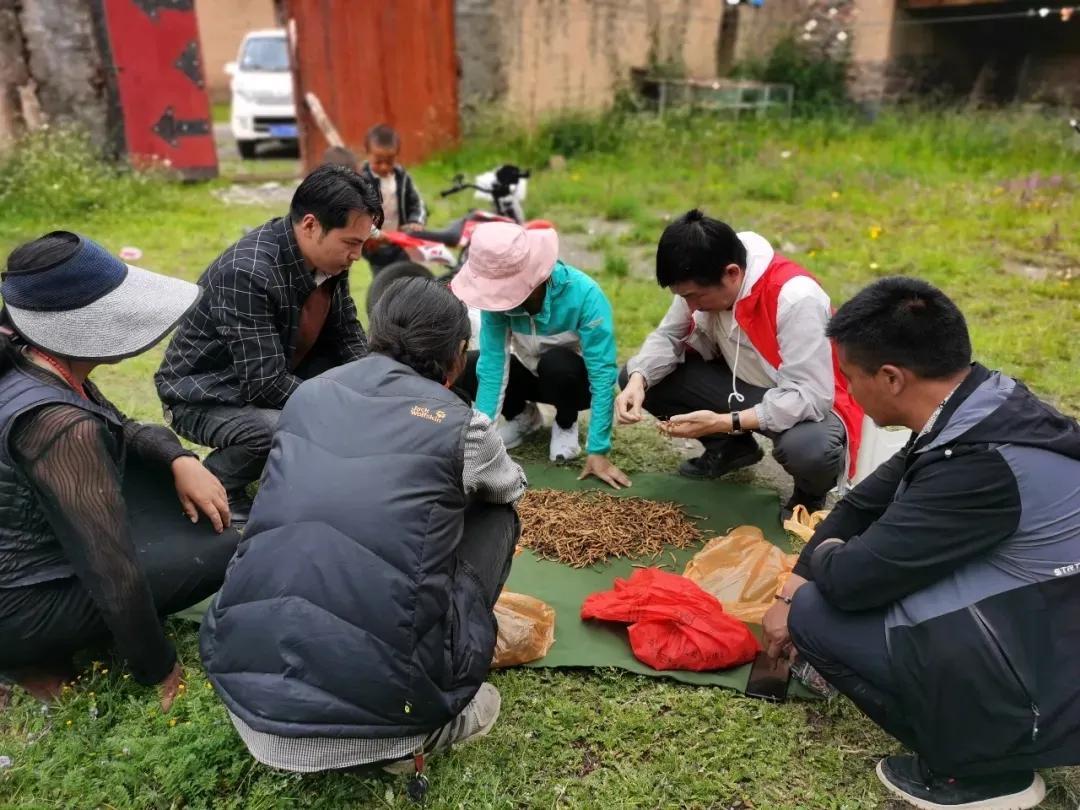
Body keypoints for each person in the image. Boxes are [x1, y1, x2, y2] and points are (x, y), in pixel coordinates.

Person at [762, 277, 1080, 810]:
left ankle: (980, 772)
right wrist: (796, 574)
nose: (849, 391)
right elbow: (862, 503)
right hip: (1047, 620)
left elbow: (851, 580)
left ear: (890, 378)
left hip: (1053, 658)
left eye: (850, 377)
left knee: (816, 613)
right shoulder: (977, 407)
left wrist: (815, 573)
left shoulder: (978, 465)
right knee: (822, 587)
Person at [200, 277, 525, 773]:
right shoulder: (462, 425)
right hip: (390, 715)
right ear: (457, 356)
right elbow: (508, 487)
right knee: (496, 513)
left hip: (247, 695)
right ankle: (410, 736)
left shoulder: (307, 395)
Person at [0, 232, 240, 709]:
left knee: (210, 514)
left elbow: (124, 427)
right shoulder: (58, 424)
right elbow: (111, 570)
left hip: (26, 560)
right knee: (229, 544)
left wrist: (180, 458)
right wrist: (159, 667)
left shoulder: (30, 361)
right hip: (18, 605)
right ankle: (29, 658)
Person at [155, 165, 382, 523]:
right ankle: (210, 488)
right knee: (276, 430)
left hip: (277, 368)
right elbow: (264, 383)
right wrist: (343, 407)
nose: (357, 255)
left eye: (361, 244)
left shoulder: (331, 261)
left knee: (356, 392)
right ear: (310, 226)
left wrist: (376, 386)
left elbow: (347, 333)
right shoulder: (247, 273)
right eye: (351, 243)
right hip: (207, 394)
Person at [615, 209, 862, 517]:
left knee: (809, 450)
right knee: (639, 373)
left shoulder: (796, 297)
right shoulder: (707, 275)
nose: (690, 306)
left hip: (810, 403)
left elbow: (811, 396)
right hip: (744, 386)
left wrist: (724, 421)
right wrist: (639, 380)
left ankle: (810, 493)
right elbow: (669, 336)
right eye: (683, 297)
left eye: (695, 296)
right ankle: (731, 449)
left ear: (732, 273)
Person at [451, 222, 631, 490]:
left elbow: (602, 374)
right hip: (528, 371)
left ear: (537, 276)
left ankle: (565, 422)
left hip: (570, 380)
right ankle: (524, 417)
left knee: (557, 363)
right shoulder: (497, 306)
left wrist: (598, 450)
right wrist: (481, 443)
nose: (499, 296)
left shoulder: (585, 294)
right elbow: (493, 367)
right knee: (472, 364)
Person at [359, 123, 428, 274]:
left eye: (389, 161)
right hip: (375, 244)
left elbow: (417, 203)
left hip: (400, 241)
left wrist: (416, 221)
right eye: (378, 161)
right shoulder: (361, 181)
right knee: (383, 277)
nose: (384, 166)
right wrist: (369, 234)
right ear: (367, 154)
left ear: (397, 155)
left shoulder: (402, 178)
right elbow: (357, 214)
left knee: (405, 273)